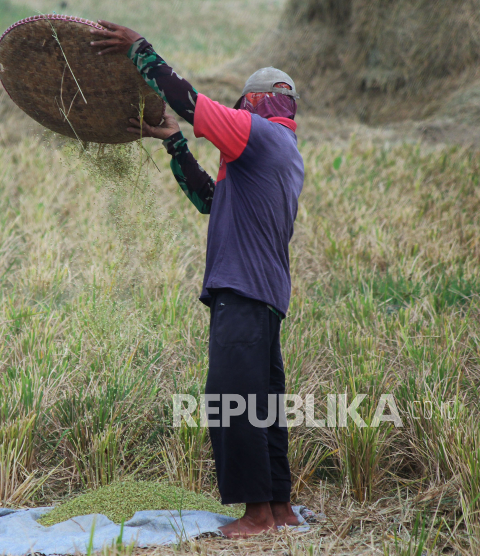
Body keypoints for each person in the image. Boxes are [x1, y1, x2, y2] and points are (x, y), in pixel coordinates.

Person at [90, 22, 305, 538]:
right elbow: (211, 201)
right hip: (265, 295)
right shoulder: (276, 157)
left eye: (240, 106)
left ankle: (254, 515)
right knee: (264, 402)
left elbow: (191, 102)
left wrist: (141, 51)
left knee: (231, 398)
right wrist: (175, 146)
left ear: (253, 103)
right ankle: (278, 509)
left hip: (243, 292)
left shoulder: (259, 136)